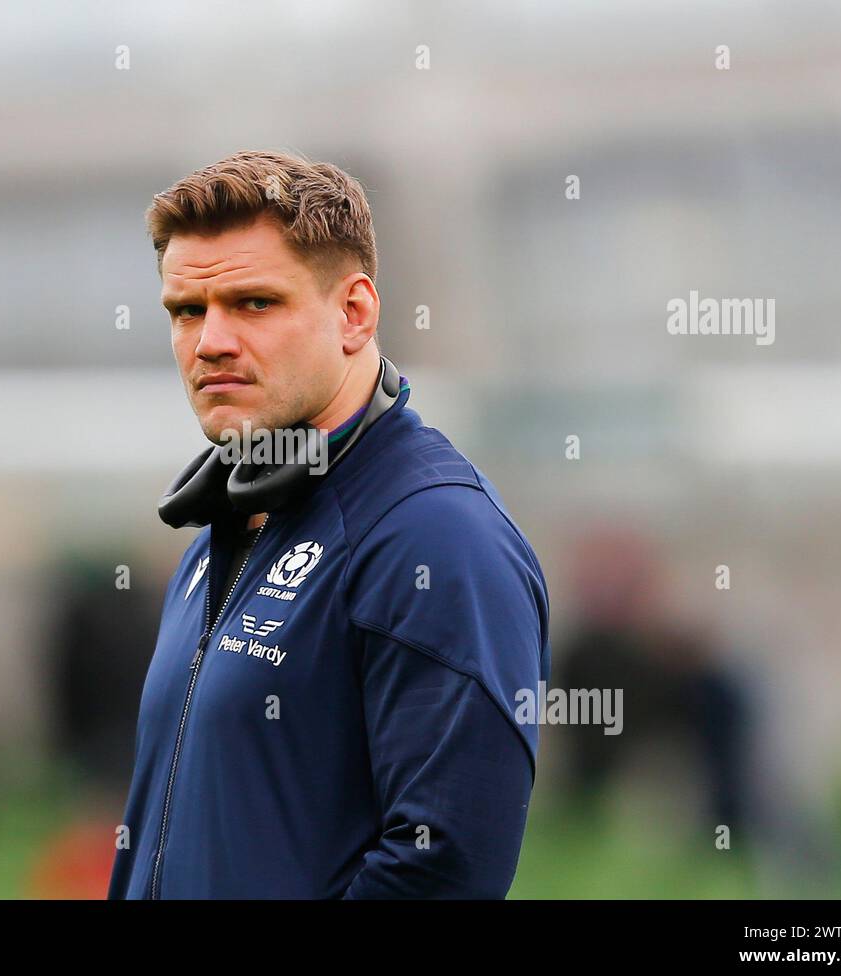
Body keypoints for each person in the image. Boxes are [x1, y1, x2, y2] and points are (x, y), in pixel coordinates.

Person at [107, 150, 551, 898]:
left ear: (354, 313)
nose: (209, 340)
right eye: (187, 311)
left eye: (254, 303)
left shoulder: (435, 538)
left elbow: (444, 870)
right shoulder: (226, 529)